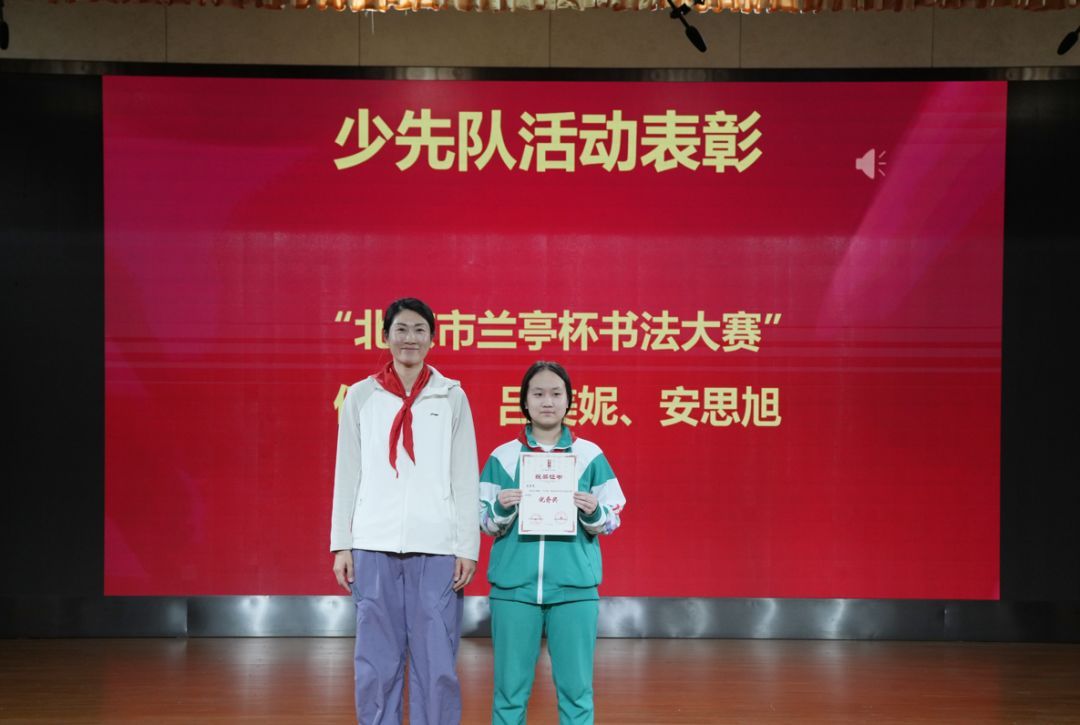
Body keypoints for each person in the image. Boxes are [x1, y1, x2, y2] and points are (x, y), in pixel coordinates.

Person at [330, 297, 480, 725]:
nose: (409, 338)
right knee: (376, 662)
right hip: (372, 545)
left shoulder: (451, 396)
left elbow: (464, 475)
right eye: (401, 329)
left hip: (437, 548)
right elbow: (347, 472)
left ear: (432, 338)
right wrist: (342, 543)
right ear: (385, 336)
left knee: (437, 662)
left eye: (419, 330)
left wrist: (467, 547)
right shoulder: (361, 396)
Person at [479, 361, 627, 725]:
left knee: (577, 693)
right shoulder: (502, 457)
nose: (548, 401)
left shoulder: (589, 455)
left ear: (568, 400)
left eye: (556, 393)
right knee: (509, 693)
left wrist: (594, 512)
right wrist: (500, 508)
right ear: (524, 401)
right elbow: (483, 522)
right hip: (514, 590)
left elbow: (612, 518)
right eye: (538, 393)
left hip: (575, 590)